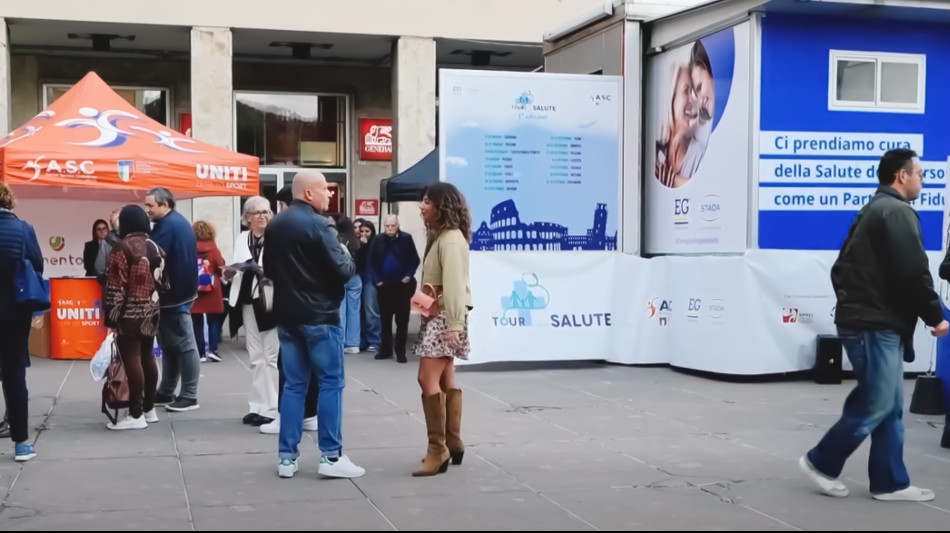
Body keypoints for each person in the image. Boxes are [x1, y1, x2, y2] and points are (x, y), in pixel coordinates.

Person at [800, 149, 948, 502]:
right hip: (873, 325)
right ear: (901, 176)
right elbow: (914, 272)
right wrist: (935, 315)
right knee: (877, 403)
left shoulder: (874, 211)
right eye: (920, 174)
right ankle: (821, 462)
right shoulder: (895, 213)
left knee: (888, 404)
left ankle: (889, 482)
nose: (922, 181)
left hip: (873, 321)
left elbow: (840, 269)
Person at [263, 170, 365, 479]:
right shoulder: (321, 226)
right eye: (324, 189)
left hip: (288, 317)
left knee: (294, 386)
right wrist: (348, 252)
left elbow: (269, 268)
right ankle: (331, 457)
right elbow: (344, 270)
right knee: (331, 383)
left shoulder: (275, 224)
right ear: (308, 194)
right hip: (320, 317)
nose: (329, 194)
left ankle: (286, 458)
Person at [412, 183, 473, 477]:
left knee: (426, 379)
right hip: (441, 316)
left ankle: (438, 450)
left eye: (426, 201)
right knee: (446, 376)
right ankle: (452, 441)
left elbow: (455, 285)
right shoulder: (441, 237)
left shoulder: (450, 240)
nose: (421, 206)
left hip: (444, 318)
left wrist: (454, 326)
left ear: (441, 206)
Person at [259, 186, 319, 436]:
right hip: (315, 308)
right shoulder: (317, 227)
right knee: (314, 368)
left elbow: (271, 269)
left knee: (291, 369)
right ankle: (309, 414)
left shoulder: (283, 230)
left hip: (294, 307)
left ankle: (289, 418)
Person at [102, 205, 167, 430]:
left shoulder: (121, 247)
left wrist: (111, 319)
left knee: (132, 360)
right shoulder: (155, 247)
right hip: (153, 310)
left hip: (129, 314)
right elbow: (165, 283)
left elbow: (115, 287)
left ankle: (135, 414)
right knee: (148, 358)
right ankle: (149, 409)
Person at [145, 187, 201, 412]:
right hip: (177, 294)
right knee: (169, 345)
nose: (146, 209)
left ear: (165, 205)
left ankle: (189, 395)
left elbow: (152, 256)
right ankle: (167, 390)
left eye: (150, 205)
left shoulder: (169, 226)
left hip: (175, 296)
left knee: (184, 345)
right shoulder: (173, 223)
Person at [225, 197, 279, 427]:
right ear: (247, 218)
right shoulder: (242, 238)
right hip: (247, 301)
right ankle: (257, 405)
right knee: (256, 356)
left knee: (272, 356)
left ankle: (273, 407)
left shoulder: (277, 238)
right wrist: (229, 273)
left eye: (266, 212)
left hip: (270, 301)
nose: (262, 216)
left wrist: (265, 269)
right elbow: (236, 265)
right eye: (256, 213)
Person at [0, 183, 41, 462]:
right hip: (15, 311)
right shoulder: (24, 230)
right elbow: (37, 265)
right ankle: (21, 444)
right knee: (14, 375)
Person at [367, 215, 420, 363]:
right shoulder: (378, 240)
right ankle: (385, 350)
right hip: (384, 287)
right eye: (387, 226)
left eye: (393, 226)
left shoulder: (406, 239)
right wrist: (376, 281)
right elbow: (370, 262)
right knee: (384, 319)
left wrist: (409, 275)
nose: (390, 229)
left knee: (402, 320)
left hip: (402, 287)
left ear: (397, 226)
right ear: (384, 226)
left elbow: (414, 259)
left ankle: (400, 352)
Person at [191, 221, 226, 363]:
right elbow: (220, 266)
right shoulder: (213, 249)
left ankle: (200, 353)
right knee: (214, 320)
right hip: (212, 288)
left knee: (197, 321)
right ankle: (213, 350)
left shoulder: (189, 247)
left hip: (194, 288)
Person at [335, 215, 363, 354]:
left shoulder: (335, 241)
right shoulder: (356, 242)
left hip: (340, 277)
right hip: (355, 277)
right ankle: (353, 343)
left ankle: (339, 341)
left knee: (340, 310)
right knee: (354, 310)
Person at [355, 219, 381, 353]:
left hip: (371, 278)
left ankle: (375, 340)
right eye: (362, 231)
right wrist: (361, 246)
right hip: (360, 276)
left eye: (367, 231)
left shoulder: (376, 243)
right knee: (361, 311)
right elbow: (357, 262)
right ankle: (363, 340)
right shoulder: (357, 244)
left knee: (371, 310)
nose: (364, 234)